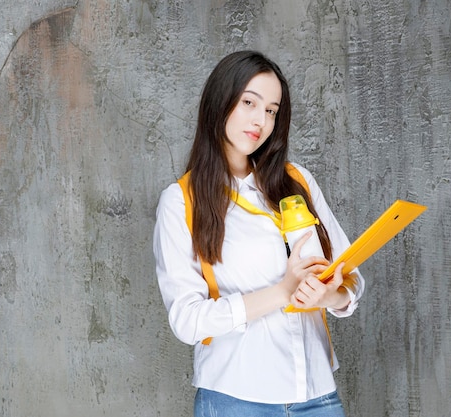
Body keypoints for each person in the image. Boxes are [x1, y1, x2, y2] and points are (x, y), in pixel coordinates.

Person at [153, 50, 365, 417]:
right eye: (249, 102)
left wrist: (330, 296)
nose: (261, 121)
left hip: (318, 397)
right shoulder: (181, 201)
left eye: (271, 110)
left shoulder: (297, 181)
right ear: (220, 102)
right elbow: (187, 320)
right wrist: (281, 292)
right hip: (236, 399)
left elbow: (351, 277)